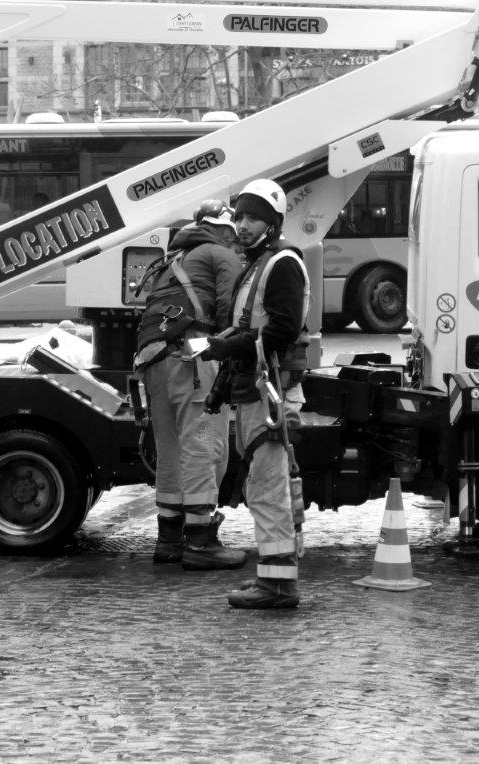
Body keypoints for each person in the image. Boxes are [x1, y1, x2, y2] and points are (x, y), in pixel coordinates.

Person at [201, 179, 310, 609]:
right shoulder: (259, 262)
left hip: (271, 392)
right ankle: (272, 575)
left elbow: (282, 330)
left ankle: (279, 587)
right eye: (240, 217)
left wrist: (228, 347)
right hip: (257, 390)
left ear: (273, 222)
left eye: (253, 218)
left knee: (266, 487)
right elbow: (253, 325)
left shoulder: (281, 262)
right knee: (263, 485)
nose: (243, 225)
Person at [133, 199, 246, 571]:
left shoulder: (174, 258)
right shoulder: (220, 254)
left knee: (169, 448)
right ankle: (200, 541)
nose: (239, 237)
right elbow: (232, 311)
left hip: (152, 359)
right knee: (203, 443)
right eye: (235, 231)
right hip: (191, 357)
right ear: (223, 228)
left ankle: (169, 540)